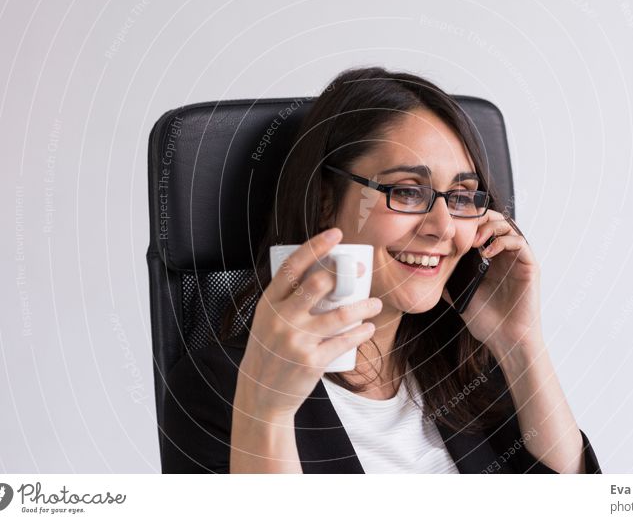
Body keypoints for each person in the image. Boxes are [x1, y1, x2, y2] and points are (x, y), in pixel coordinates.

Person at [162, 66, 601, 474]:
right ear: (324, 202)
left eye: (463, 196)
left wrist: (520, 344)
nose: (444, 228)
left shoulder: (462, 369)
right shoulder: (225, 388)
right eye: (409, 191)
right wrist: (267, 411)